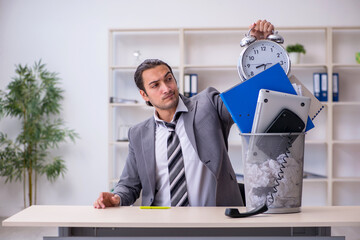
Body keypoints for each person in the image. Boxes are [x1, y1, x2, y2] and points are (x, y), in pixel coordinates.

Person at [94, 20, 275, 208]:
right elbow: (129, 184)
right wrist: (116, 198)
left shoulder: (208, 104)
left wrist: (259, 48)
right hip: (162, 223)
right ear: (144, 95)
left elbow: (250, 99)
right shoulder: (138, 134)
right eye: (155, 85)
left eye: (169, 79)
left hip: (215, 221)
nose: (166, 88)